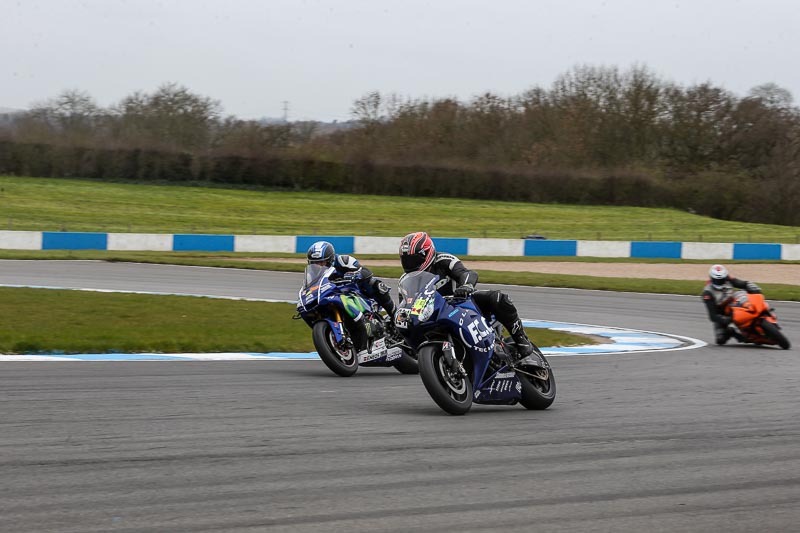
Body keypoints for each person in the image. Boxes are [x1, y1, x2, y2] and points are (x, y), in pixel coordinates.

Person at [398, 231, 534, 357]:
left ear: (426, 253)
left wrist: (466, 286)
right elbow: (405, 304)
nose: (410, 264)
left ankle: (521, 339)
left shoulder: (444, 260)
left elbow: (467, 273)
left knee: (497, 298)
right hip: (432, 315)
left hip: (459, 303)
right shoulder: (405, 280)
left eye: (413, 259)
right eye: (406, 260)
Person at [306, 240, 396, 350]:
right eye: (315, 263)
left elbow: (366, 271)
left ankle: (395, 315)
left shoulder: (343, 260)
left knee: (375, 284)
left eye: (322, 262)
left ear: (330, 259)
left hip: (356, 292)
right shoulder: (312, 274)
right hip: (335, 297)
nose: (319, 266)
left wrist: (355, 274)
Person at [702, 264, 762, 345]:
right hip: (722, 312)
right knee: (720, 340)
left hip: (735, 301)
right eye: (717, 280)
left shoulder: (729, 279)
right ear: (711, 278)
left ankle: (764, 311)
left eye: (722, 279)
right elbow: (712, 316)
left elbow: (743, 284)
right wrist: (726, 320)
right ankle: (733, 332)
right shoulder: (707, 293)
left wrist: (752, 287)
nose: (719, 282)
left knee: (753, 295)